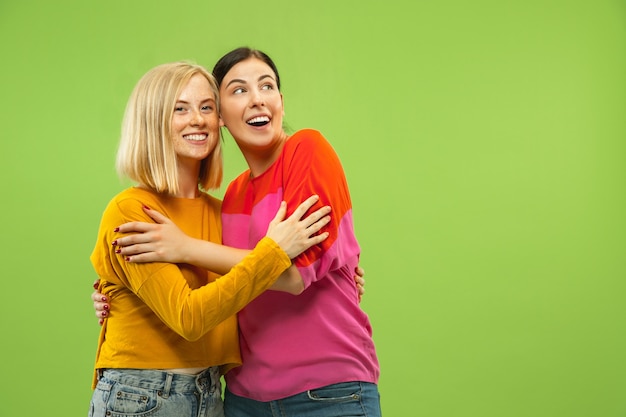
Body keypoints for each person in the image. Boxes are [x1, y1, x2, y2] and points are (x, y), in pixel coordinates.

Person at [94, 47, 381, 417]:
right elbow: (215, 289)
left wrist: (184, 248)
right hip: (239, 397)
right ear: (224, 117)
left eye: (267, 86)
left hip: (323, 391)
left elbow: (292, 276)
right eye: (239, 90)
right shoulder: (228, 198)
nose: (257, 99)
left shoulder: (303, 151)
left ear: (281, 100)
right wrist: (115, 291)